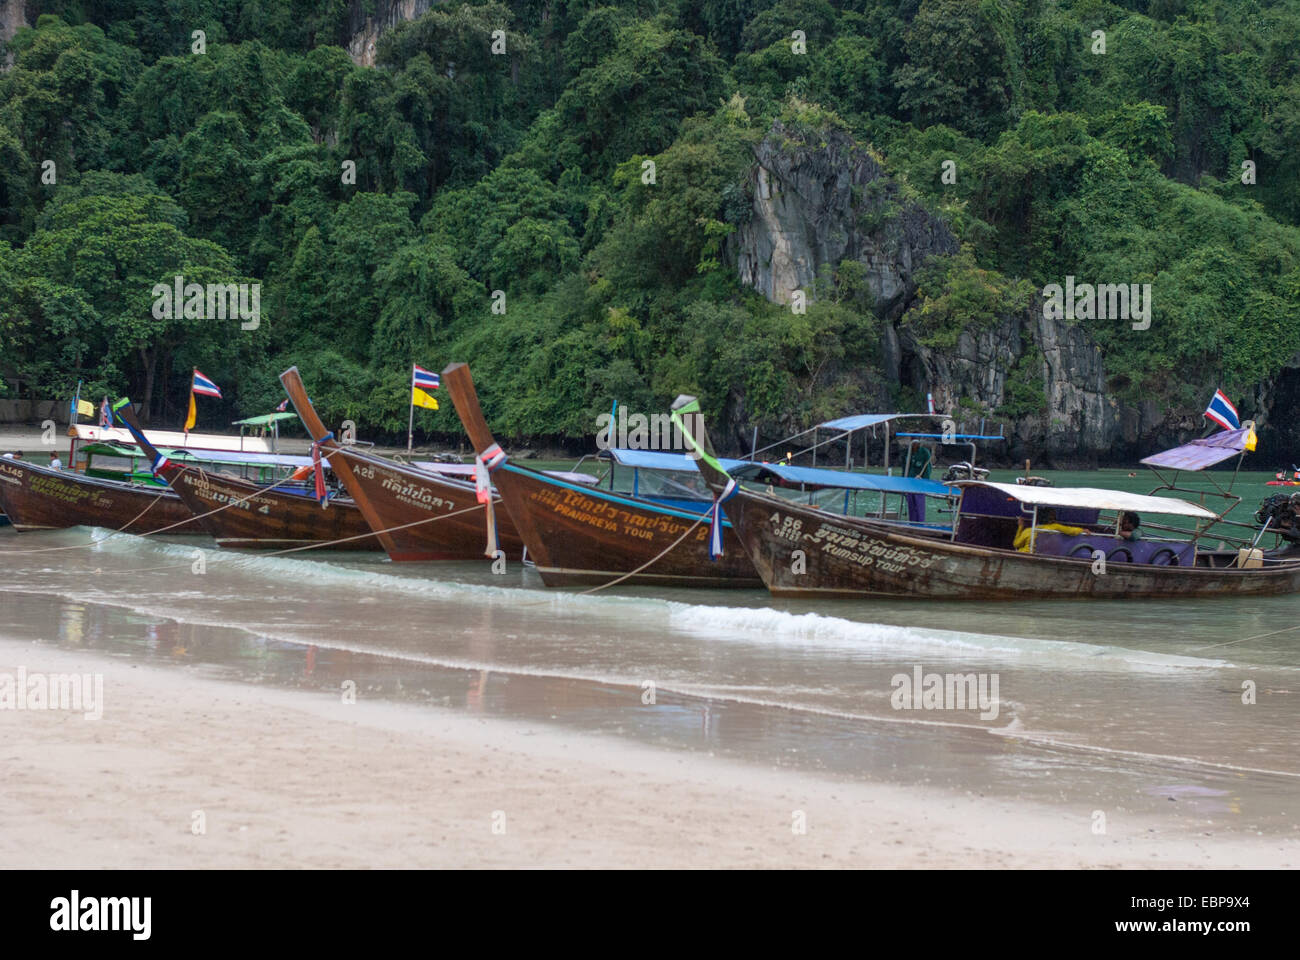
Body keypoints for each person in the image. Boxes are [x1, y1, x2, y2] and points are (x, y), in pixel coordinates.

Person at [1013, 508, 1086, 552]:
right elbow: (1071, 531)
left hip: (1026, 555)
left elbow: (1016, 544)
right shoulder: (1055, 527)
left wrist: (1020, 527)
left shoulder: (1028, 531)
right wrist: (1082, 530)